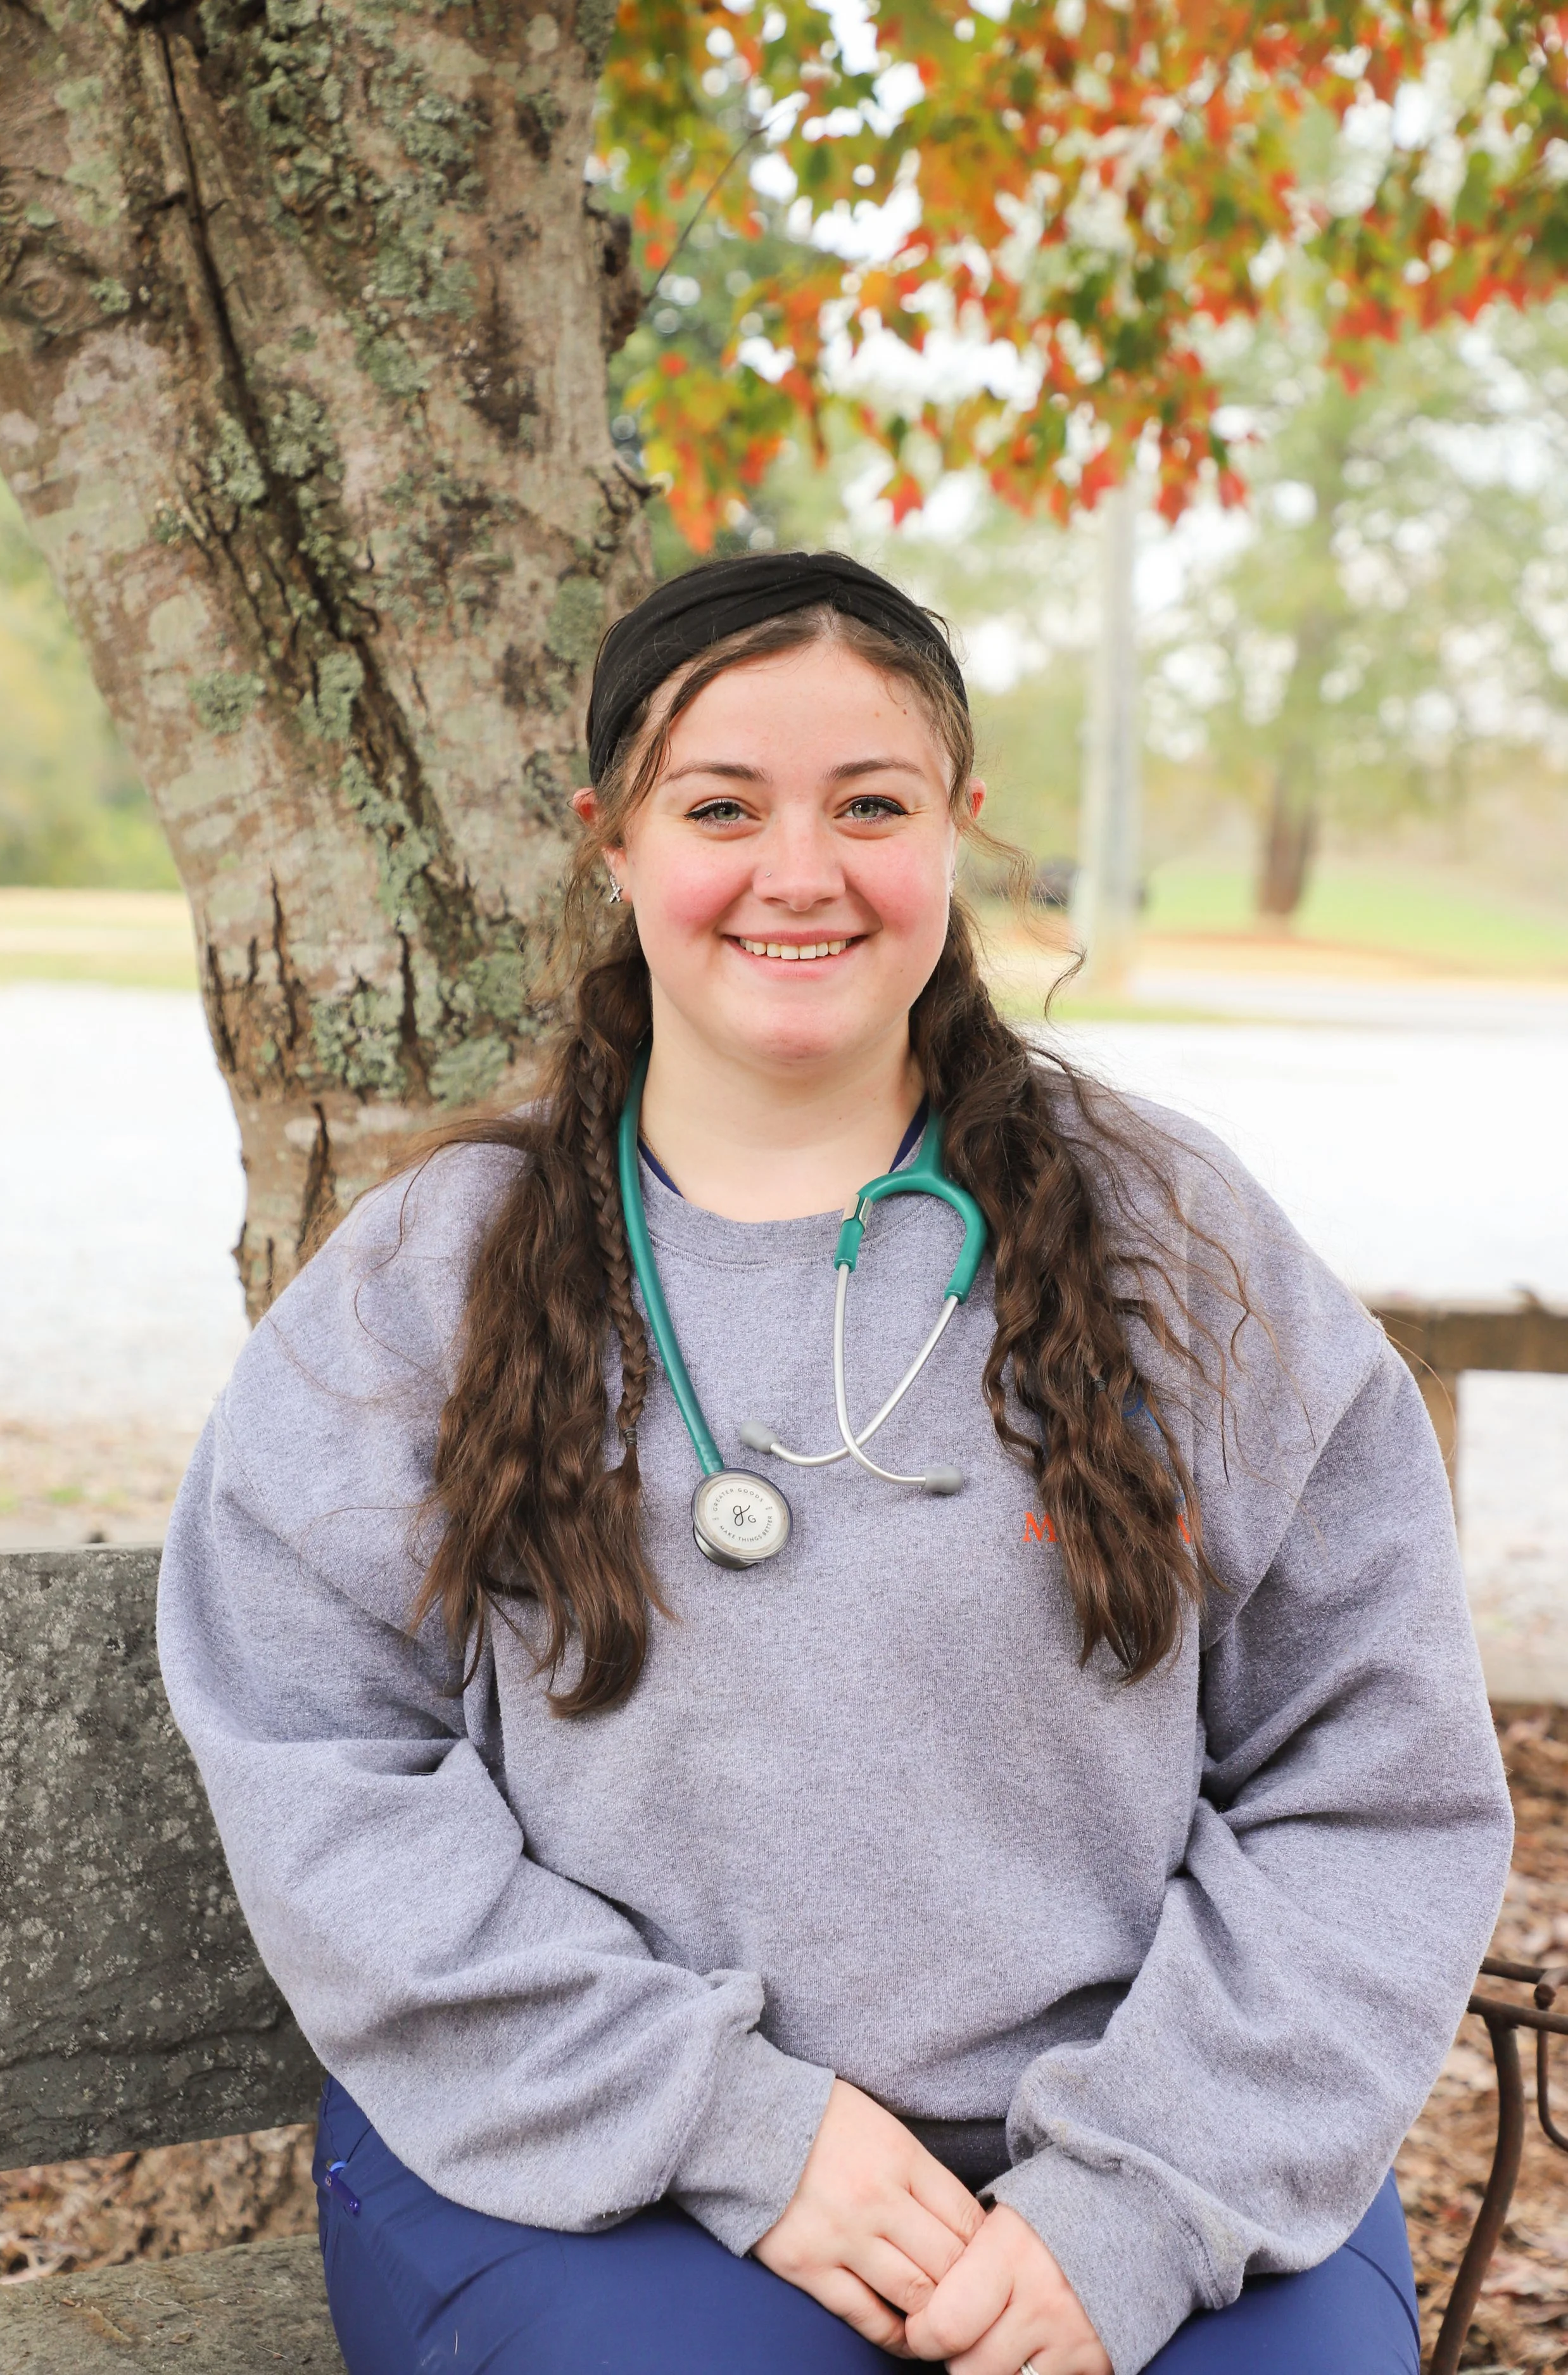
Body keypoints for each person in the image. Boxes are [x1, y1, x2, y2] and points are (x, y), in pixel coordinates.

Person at [158, 550, 1511, 2375]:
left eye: (867, 803)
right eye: (721, 805)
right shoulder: (426, 1283)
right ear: (610, 840)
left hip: (1161, 2138)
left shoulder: (1172, 1244)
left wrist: (1132, 2198)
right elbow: (319, 1765)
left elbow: (1375, 1776)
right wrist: (738, 2126)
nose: (798, 871)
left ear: (952, 828)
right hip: (596, 2155)